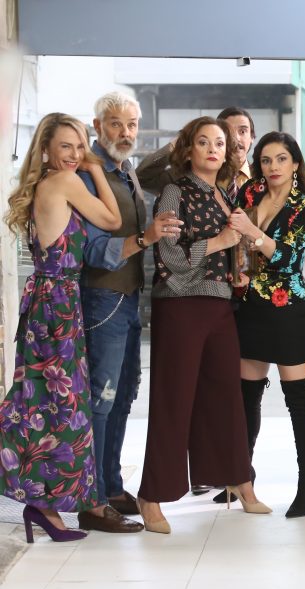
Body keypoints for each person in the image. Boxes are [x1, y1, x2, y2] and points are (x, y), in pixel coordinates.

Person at [138, 116, 270, 534]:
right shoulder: (175, 191)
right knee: (173, 400)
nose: (213, 149)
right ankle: (151, 496)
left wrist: (239, 257)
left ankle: (239, 481)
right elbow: (170, 256)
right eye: (203, 142)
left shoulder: (225, 193)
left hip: (219, 304)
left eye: (219, 142)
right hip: (181, 305)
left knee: (226, 397)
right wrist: (220, 242)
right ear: (189, 148)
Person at [1, 113, 121, 541]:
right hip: (56, 304)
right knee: (62, 405)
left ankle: (44, 507)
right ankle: (42, 503)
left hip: (50, 302)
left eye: (80, 146)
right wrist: (94, 168)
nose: (75, 154)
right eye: (66, 146)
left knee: (45, 402)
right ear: (47, 150)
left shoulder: (44, 184)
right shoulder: (66, 181)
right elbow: (112, 220)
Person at [77, 92, 182, 533]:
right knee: (101, 402)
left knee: (121, 398)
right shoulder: (87, 175)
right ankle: (92, 502)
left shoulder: (124, 170)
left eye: (132, 124)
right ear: (97, 126)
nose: (125, 132)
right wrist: (145, 238)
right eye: (116, 123)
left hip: (128, 298)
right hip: (102, 298)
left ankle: (111, 486)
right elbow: (91, 249)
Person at [227, 132, 305, 518]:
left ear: (295, 163)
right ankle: (241, 477)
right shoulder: (250, 192)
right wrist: (239, 268)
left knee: (298, 397)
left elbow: (287, 258)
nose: (273, 167)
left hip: (288, 308)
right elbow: (236, 243)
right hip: (249, 304)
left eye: (281, 159)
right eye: (266, 160)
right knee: (246, 395)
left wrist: (253, 234)